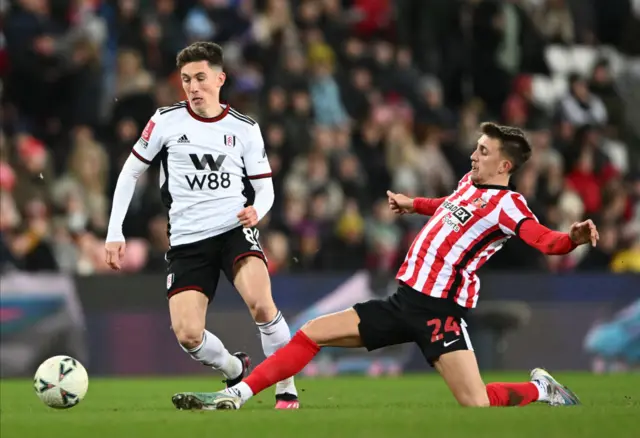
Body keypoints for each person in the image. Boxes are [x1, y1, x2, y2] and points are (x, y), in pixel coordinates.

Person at [170, 122, 600, 410]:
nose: (473, 154)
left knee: (477, 405)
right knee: (311, 333)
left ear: (505, 165)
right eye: (476, 147)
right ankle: (239, 395)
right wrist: (414, 204)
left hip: (439, 315)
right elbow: (447, 205)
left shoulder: (509, 206)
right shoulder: (469, 185)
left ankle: (542, 389)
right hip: (402, 302)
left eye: (483, 151)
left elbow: (544, 240)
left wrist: (572, 239)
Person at [104, 42, 299, 409]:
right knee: (188, 335)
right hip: (187, 241)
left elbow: (264, 186)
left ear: (220, 79)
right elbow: (130, 172)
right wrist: (115, 231)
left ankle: (285, 387)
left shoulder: (244, 128)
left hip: (233, 230)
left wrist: (258, 209)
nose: (193, 87)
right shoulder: (165, 120)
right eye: (186, 80)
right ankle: (233, 367)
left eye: (200, 78)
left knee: (261, 304)